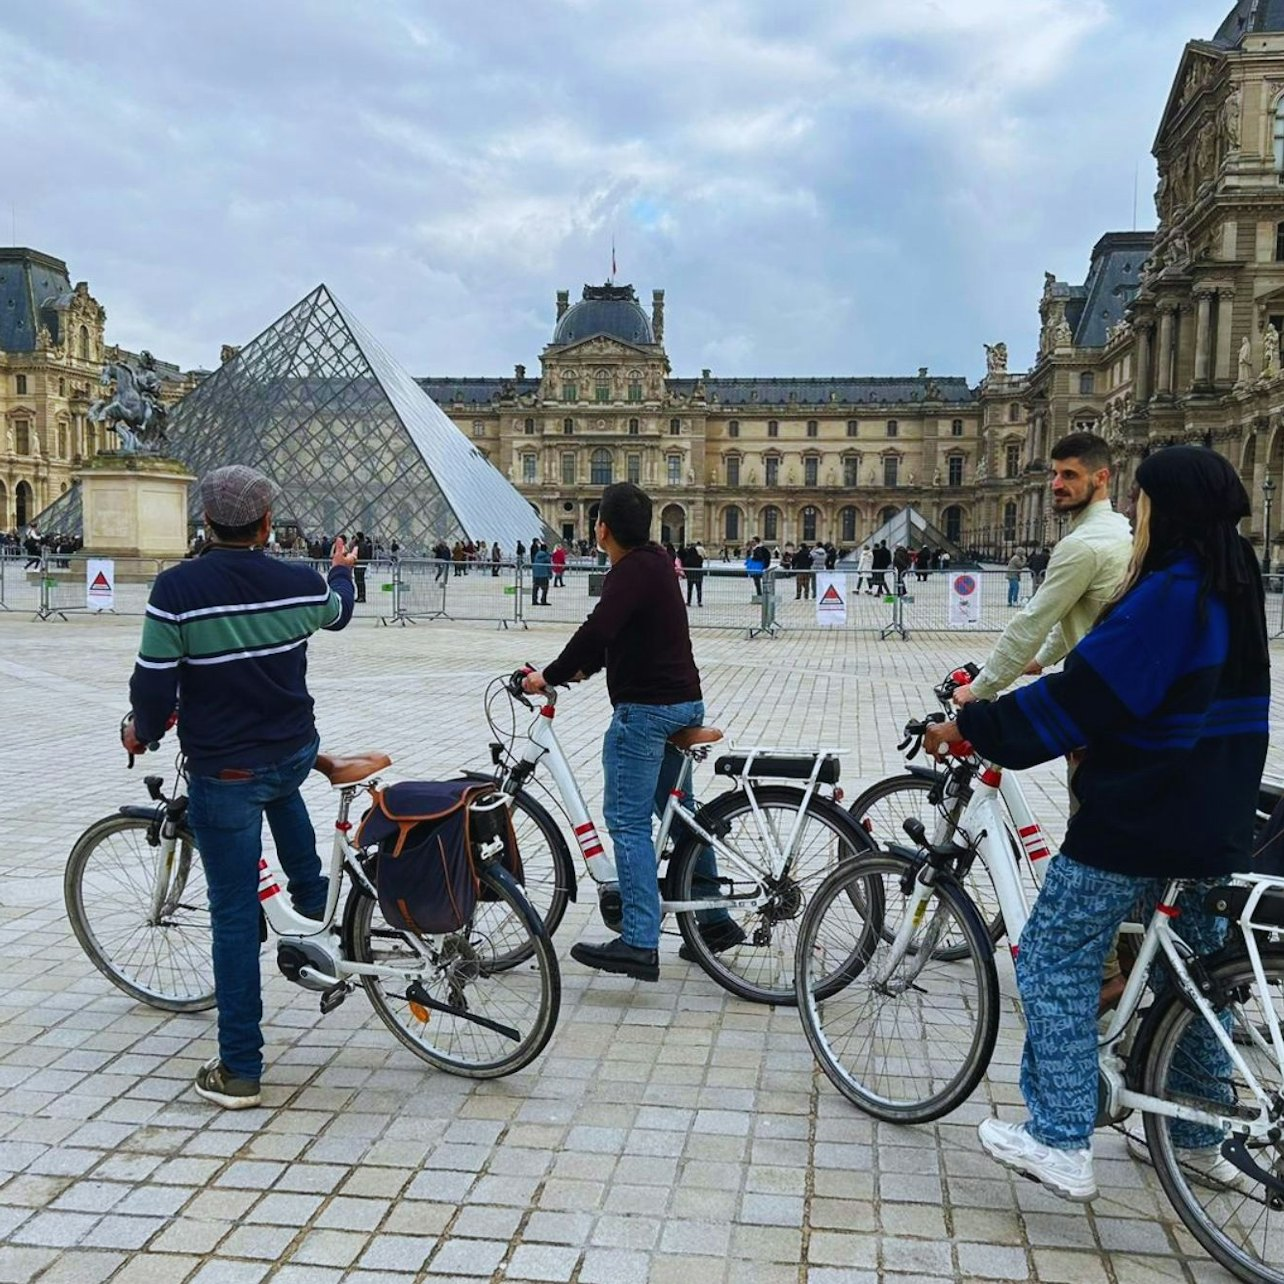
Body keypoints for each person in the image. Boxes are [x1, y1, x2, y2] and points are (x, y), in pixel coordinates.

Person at [927, 446, 1270, 1202]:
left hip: (1144, 813)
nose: (1135, 519)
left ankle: (1058, 1136)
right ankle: (1196, 1136)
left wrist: (976, 726)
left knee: (1052, 955)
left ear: (1165, 510)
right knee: (1200, 983)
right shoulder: (1235, 582)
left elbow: (1084, 696)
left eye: (1142, 504)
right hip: (1216, 811)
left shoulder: (1172, 591)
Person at [123, 465, 357, 1109]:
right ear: (264, 524)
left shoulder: (177, 589)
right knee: (287, 809)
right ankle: (318, 936)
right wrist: (340, 568)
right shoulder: (295, 581)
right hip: (292, 749)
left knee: (231, 915)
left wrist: (141, 731)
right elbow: (337, 615)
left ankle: (241, 1069)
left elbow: (152, 687)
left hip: (224, 767)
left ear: (205, 523)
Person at [522, 483, 742, 982]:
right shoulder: (657, 562)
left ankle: (640, 940)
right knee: (680, 815)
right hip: (683, 702)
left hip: (647, 713)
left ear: (601, 529)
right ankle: (712, 922)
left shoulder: (628, 572)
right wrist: (585, 669)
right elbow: (622, 638)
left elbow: (597, 629)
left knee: (626, 821)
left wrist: (549, 676)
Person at [680, 541, 705, 607]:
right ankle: (699, 601)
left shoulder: (688, 559)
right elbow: (701, 562)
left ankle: (689, 602)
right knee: (699, 589)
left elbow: (685, 565)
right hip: (698, 576)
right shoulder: (699, 557)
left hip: (690, 576)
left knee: (689, 590)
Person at [353, 530, 372, 603]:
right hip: (361, 564)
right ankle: (360, 596)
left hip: (360, 564)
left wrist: (354, 557)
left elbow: (361, 554)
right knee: (359, 581)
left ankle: (361, 596)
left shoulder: (361, 545)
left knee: (360, 581)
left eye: (356, 537)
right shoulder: (362, 544)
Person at [531, 539, 552, 605]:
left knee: (535, 588)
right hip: (544, 575)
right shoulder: (546, 556)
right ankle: (543, 600)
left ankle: (534, 600)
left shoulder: (536, 556)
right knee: (545, 588)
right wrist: (550, 574)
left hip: (536, 575)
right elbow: (548, 566)